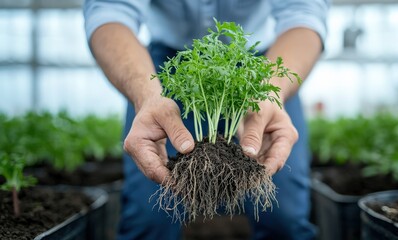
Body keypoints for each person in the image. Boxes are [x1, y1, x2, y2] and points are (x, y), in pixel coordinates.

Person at [84, 1, 329, 239]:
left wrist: (271, 91)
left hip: (263, 64)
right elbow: (109, 10)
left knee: (285, 216)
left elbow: (303, 12)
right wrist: (146, 96)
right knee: (148, 216)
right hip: (166, 66)